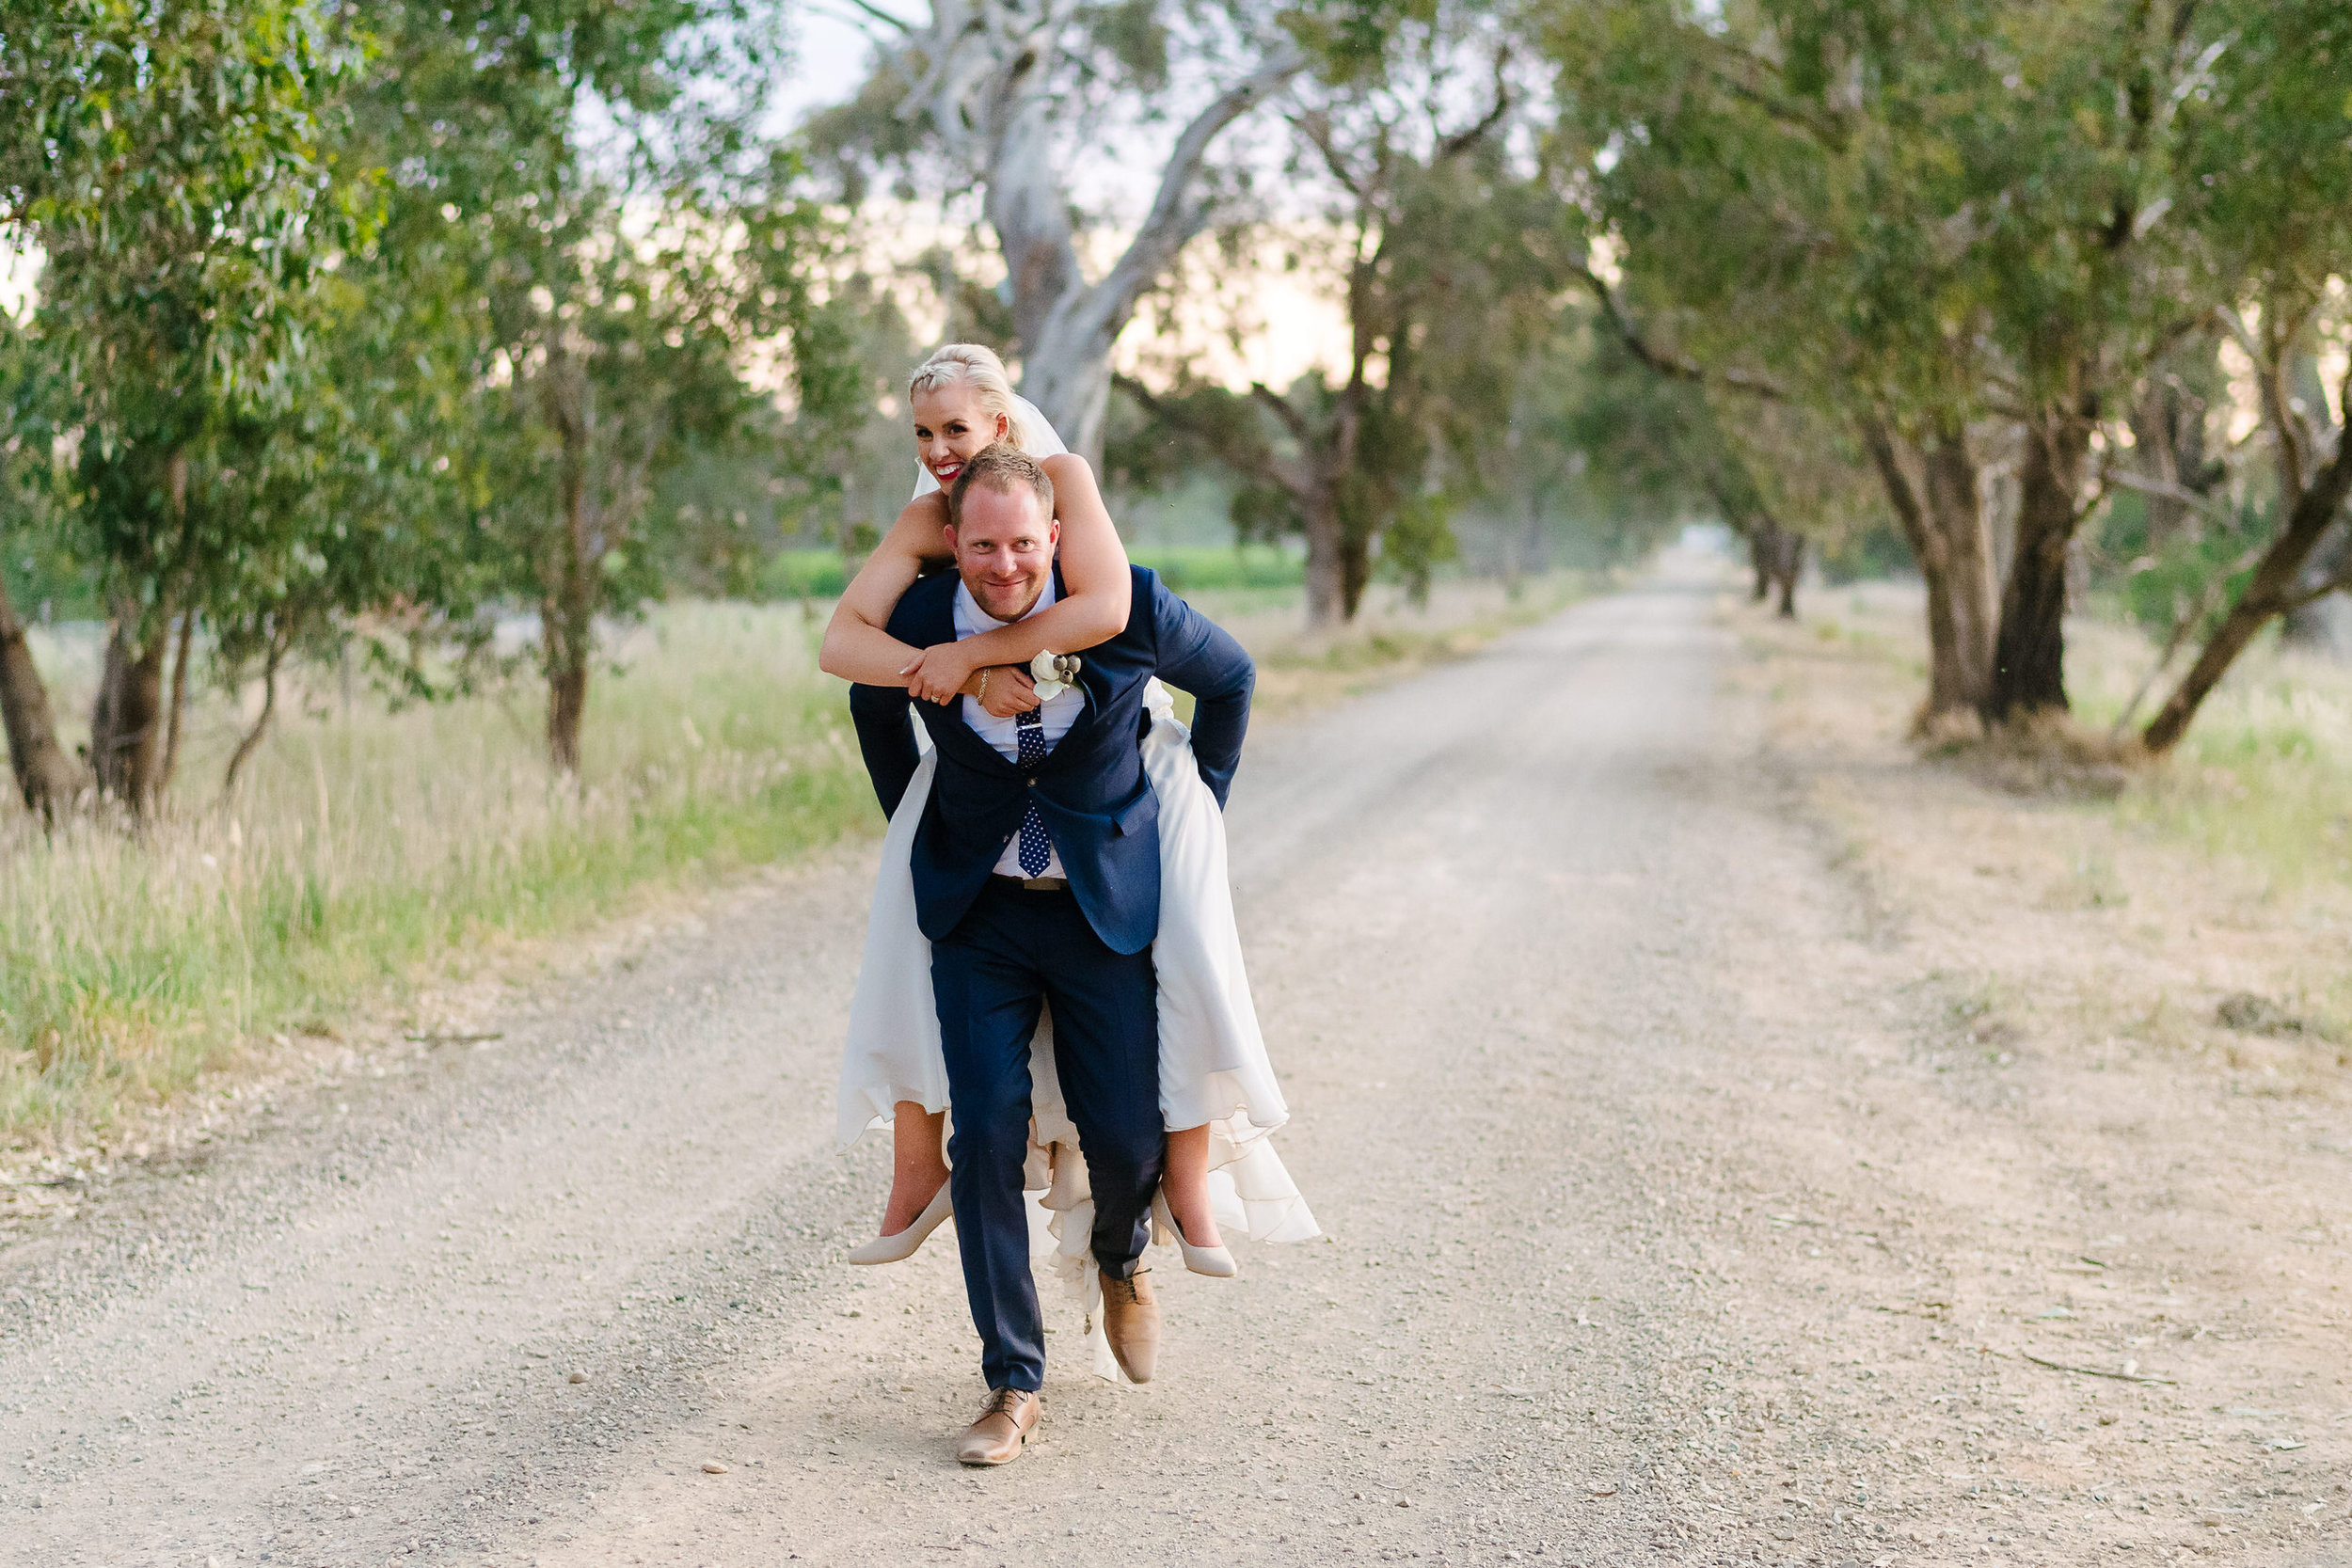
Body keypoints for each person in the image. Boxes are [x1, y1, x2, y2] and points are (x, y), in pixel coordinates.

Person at [821, 345, 1312, 1284]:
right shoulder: (929, 518)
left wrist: (1199, 794)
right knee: (907, 945)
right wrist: (942, 699)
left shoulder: (1064, 481)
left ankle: (1180, 1168)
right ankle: (919, 1168)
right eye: (922, 432)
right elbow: (846, 648)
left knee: (1190, 954)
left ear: (1000, 424)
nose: (936, 449)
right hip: (988, 797)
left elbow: (1106, 607)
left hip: (1120, 756)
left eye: (955, 429)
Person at [838, 441, 1259, 1464]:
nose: (1003, 564)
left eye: (1022, 543)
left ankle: (1120, 1252)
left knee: (1123, 1140)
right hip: (977, 914)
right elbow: (867, 699)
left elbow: (1233, 679)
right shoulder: (926, 621)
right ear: (956, 542)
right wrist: (924, 819)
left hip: (1097, 911)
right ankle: (1011, 1381)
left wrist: (1191, 809)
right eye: (981, 545)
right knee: (983, 1131)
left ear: (1055, 537)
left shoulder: (1126, 608)